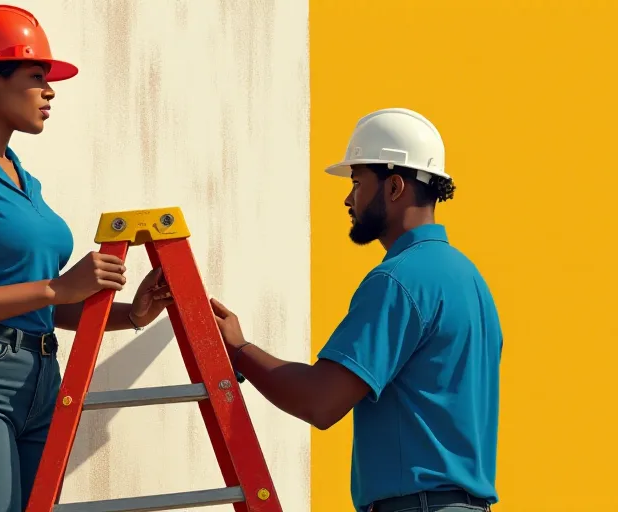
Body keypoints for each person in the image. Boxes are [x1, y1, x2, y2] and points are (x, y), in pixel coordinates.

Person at [0, 6, 172, 511]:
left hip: (41, 382)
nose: (51, 90)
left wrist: (131, 315)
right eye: (36, 76)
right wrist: (56, 288)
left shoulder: (26, 182)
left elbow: (38, 307)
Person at [210, 107, 503, 512]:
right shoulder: (468, 279)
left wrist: (240, 350)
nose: (349, 198)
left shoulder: (400, 280)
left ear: (395, 186)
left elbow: (321, 401)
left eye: (357, 182)